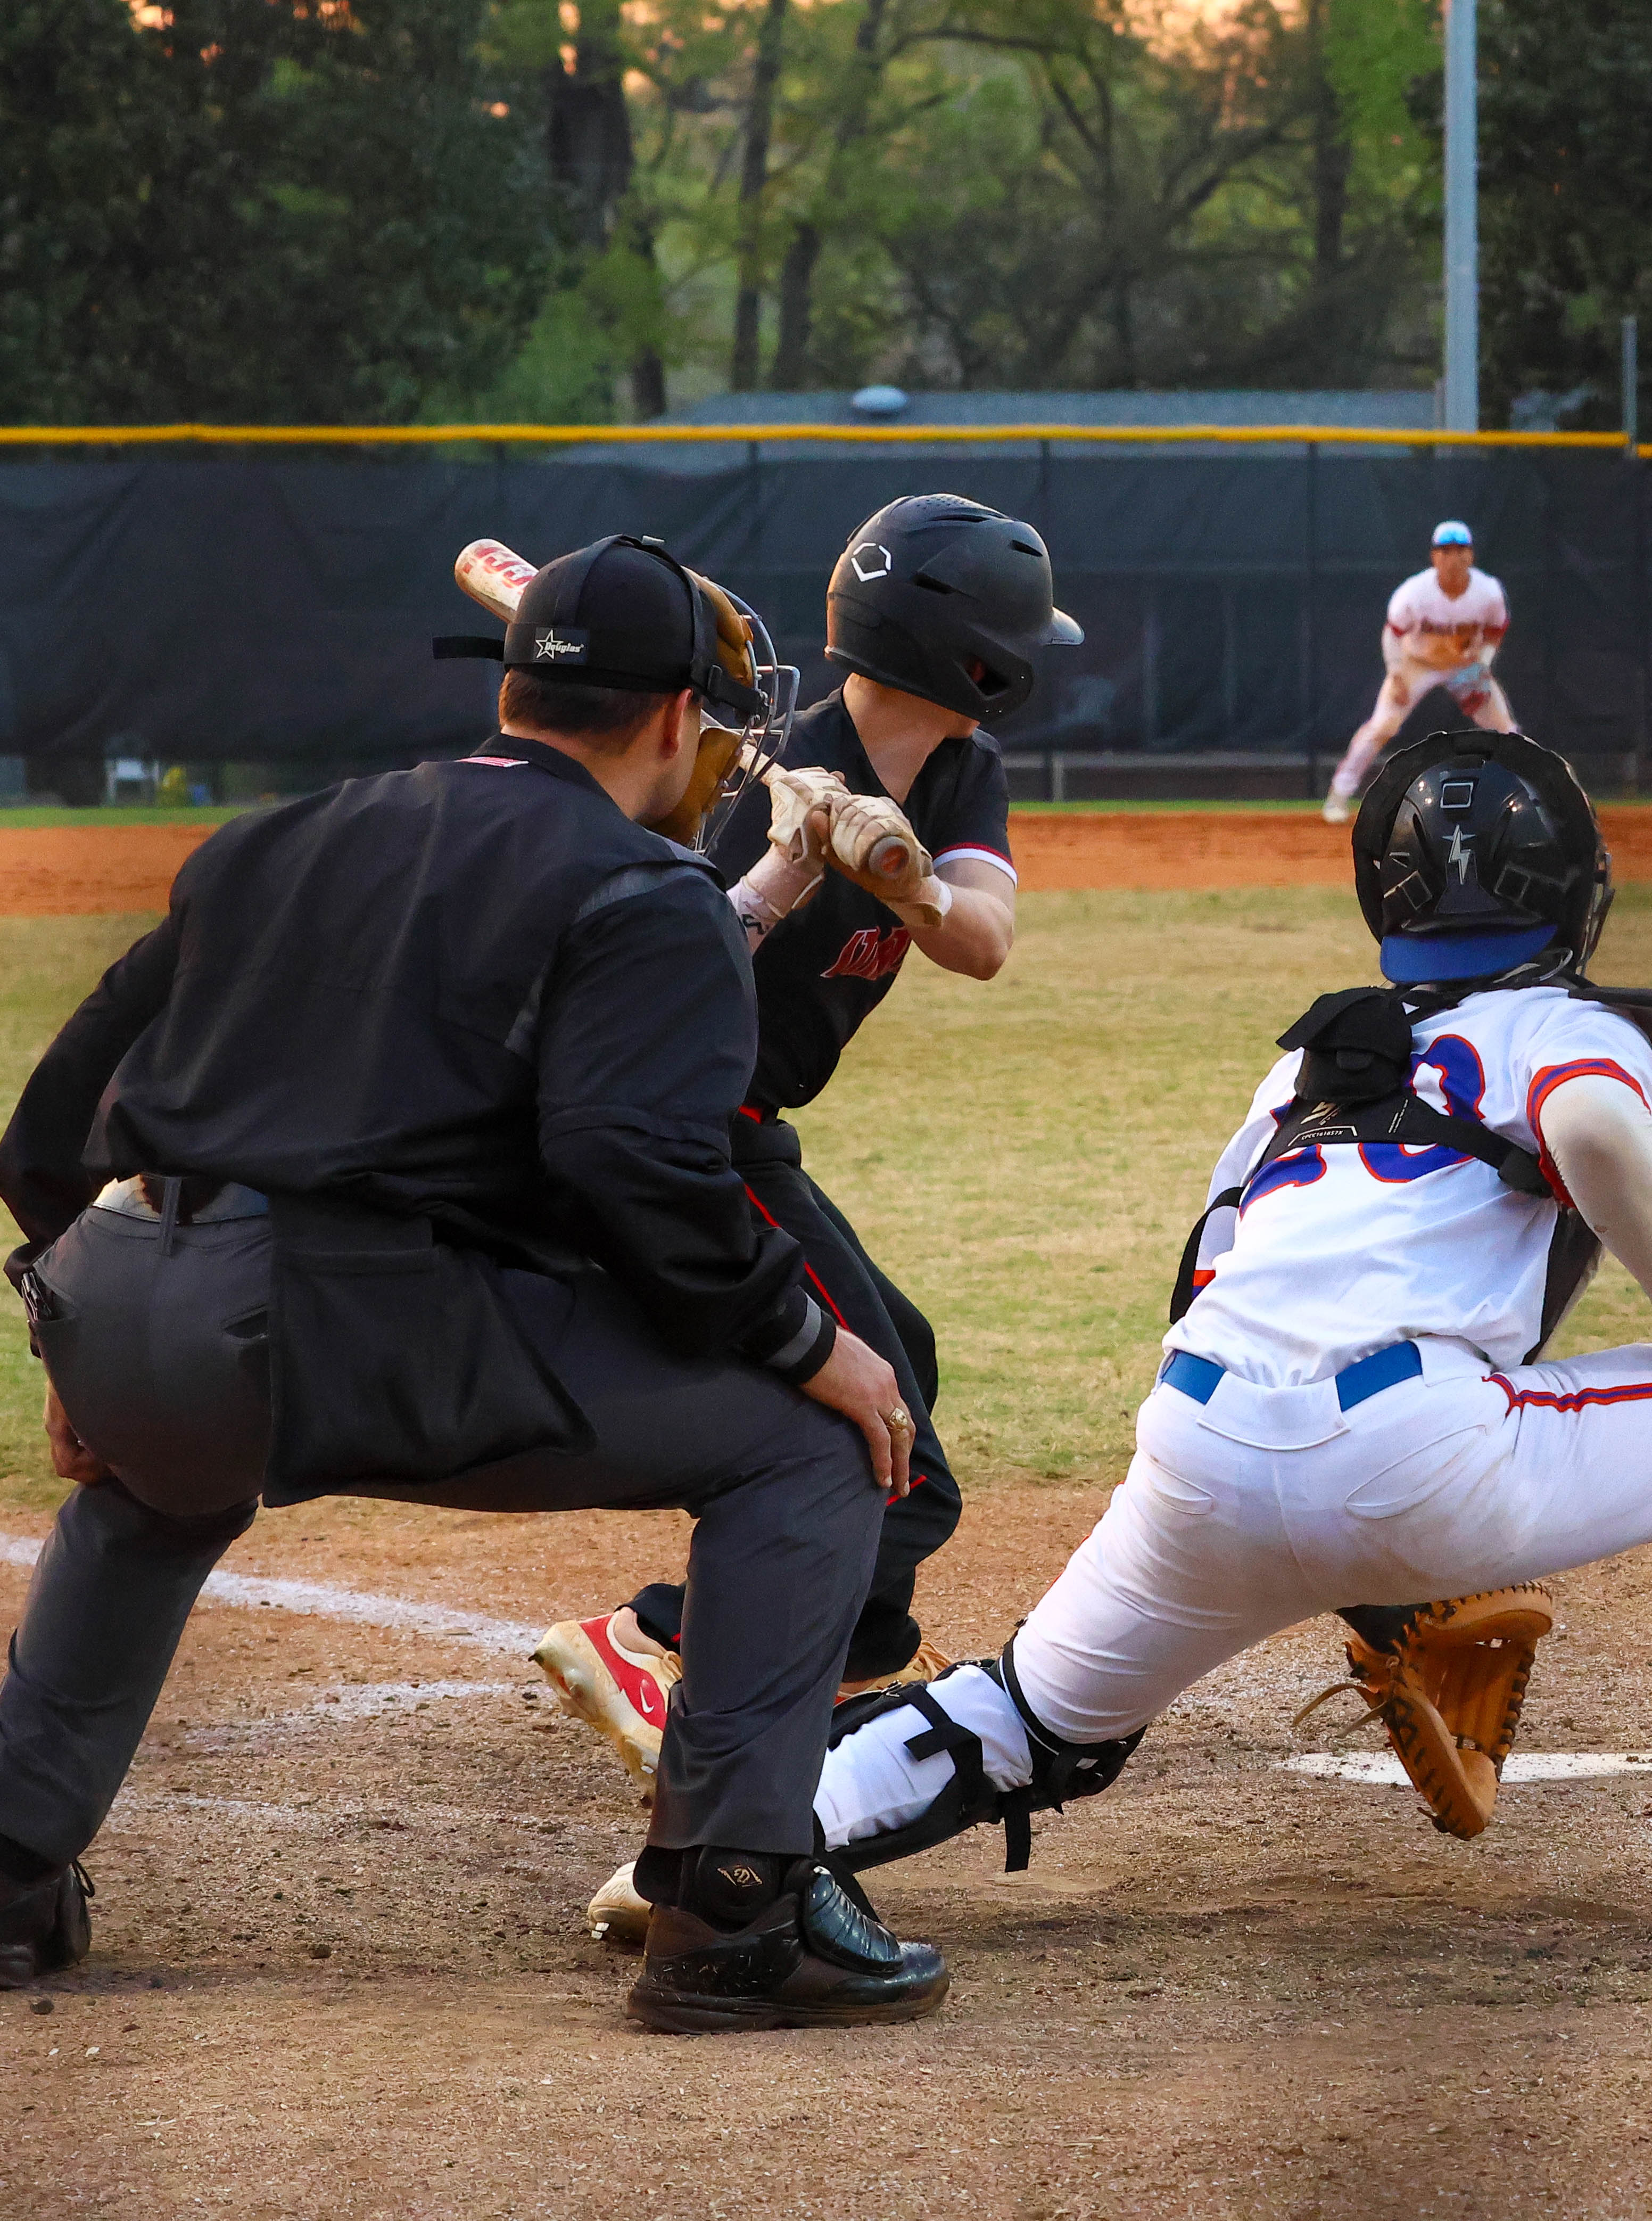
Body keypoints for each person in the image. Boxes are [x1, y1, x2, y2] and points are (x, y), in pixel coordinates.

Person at [718, 730, 1652, 1937]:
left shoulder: (1306, 1062)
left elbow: (1203, 1263)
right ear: (1580, 889)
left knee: (1031, 1716)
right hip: (1418, 1448)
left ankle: (727, 1859)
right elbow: (1593, 1116)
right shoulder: (1562, 1023)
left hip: (1199, 1446)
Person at [0, 536, 948, 2032]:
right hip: (314, 1316)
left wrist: (78, 1343)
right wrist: (806, 1335)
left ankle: (8, 1860)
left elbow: (48, 1127)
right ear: (666, 725)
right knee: (822, 1438)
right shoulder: (640, 886)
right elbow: (631, 1158)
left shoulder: (283, 832)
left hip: (115, 1289)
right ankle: (735, 1901)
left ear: (511, 694)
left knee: (153, 1484)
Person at [532, 495, 1078, 1812]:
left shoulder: (954, 772)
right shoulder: (758, 769)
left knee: (908, 1353)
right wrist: (782, 863)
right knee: (904, 1463)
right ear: (976, 660)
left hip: (747, 1127)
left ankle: (855, 1659)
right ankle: (665, 1643)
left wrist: (903, 881)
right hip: (674, 1128)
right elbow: (656, 968)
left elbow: (982, 940)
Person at [1319, 520, 1517, 825]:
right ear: (1434, 557)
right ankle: (1338, 795)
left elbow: (1495, 632)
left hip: (1465, 668)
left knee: (1506, 731)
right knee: (1383, 725)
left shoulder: (1488, 592)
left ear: (1471, 556)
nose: (1453, 558)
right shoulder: (1414, 593)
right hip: (1416, 665)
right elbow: (1393, 634)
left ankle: (1527, 799)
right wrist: (1397, 674)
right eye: (1446, 551)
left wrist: (1483, 666)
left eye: (1460, 550)